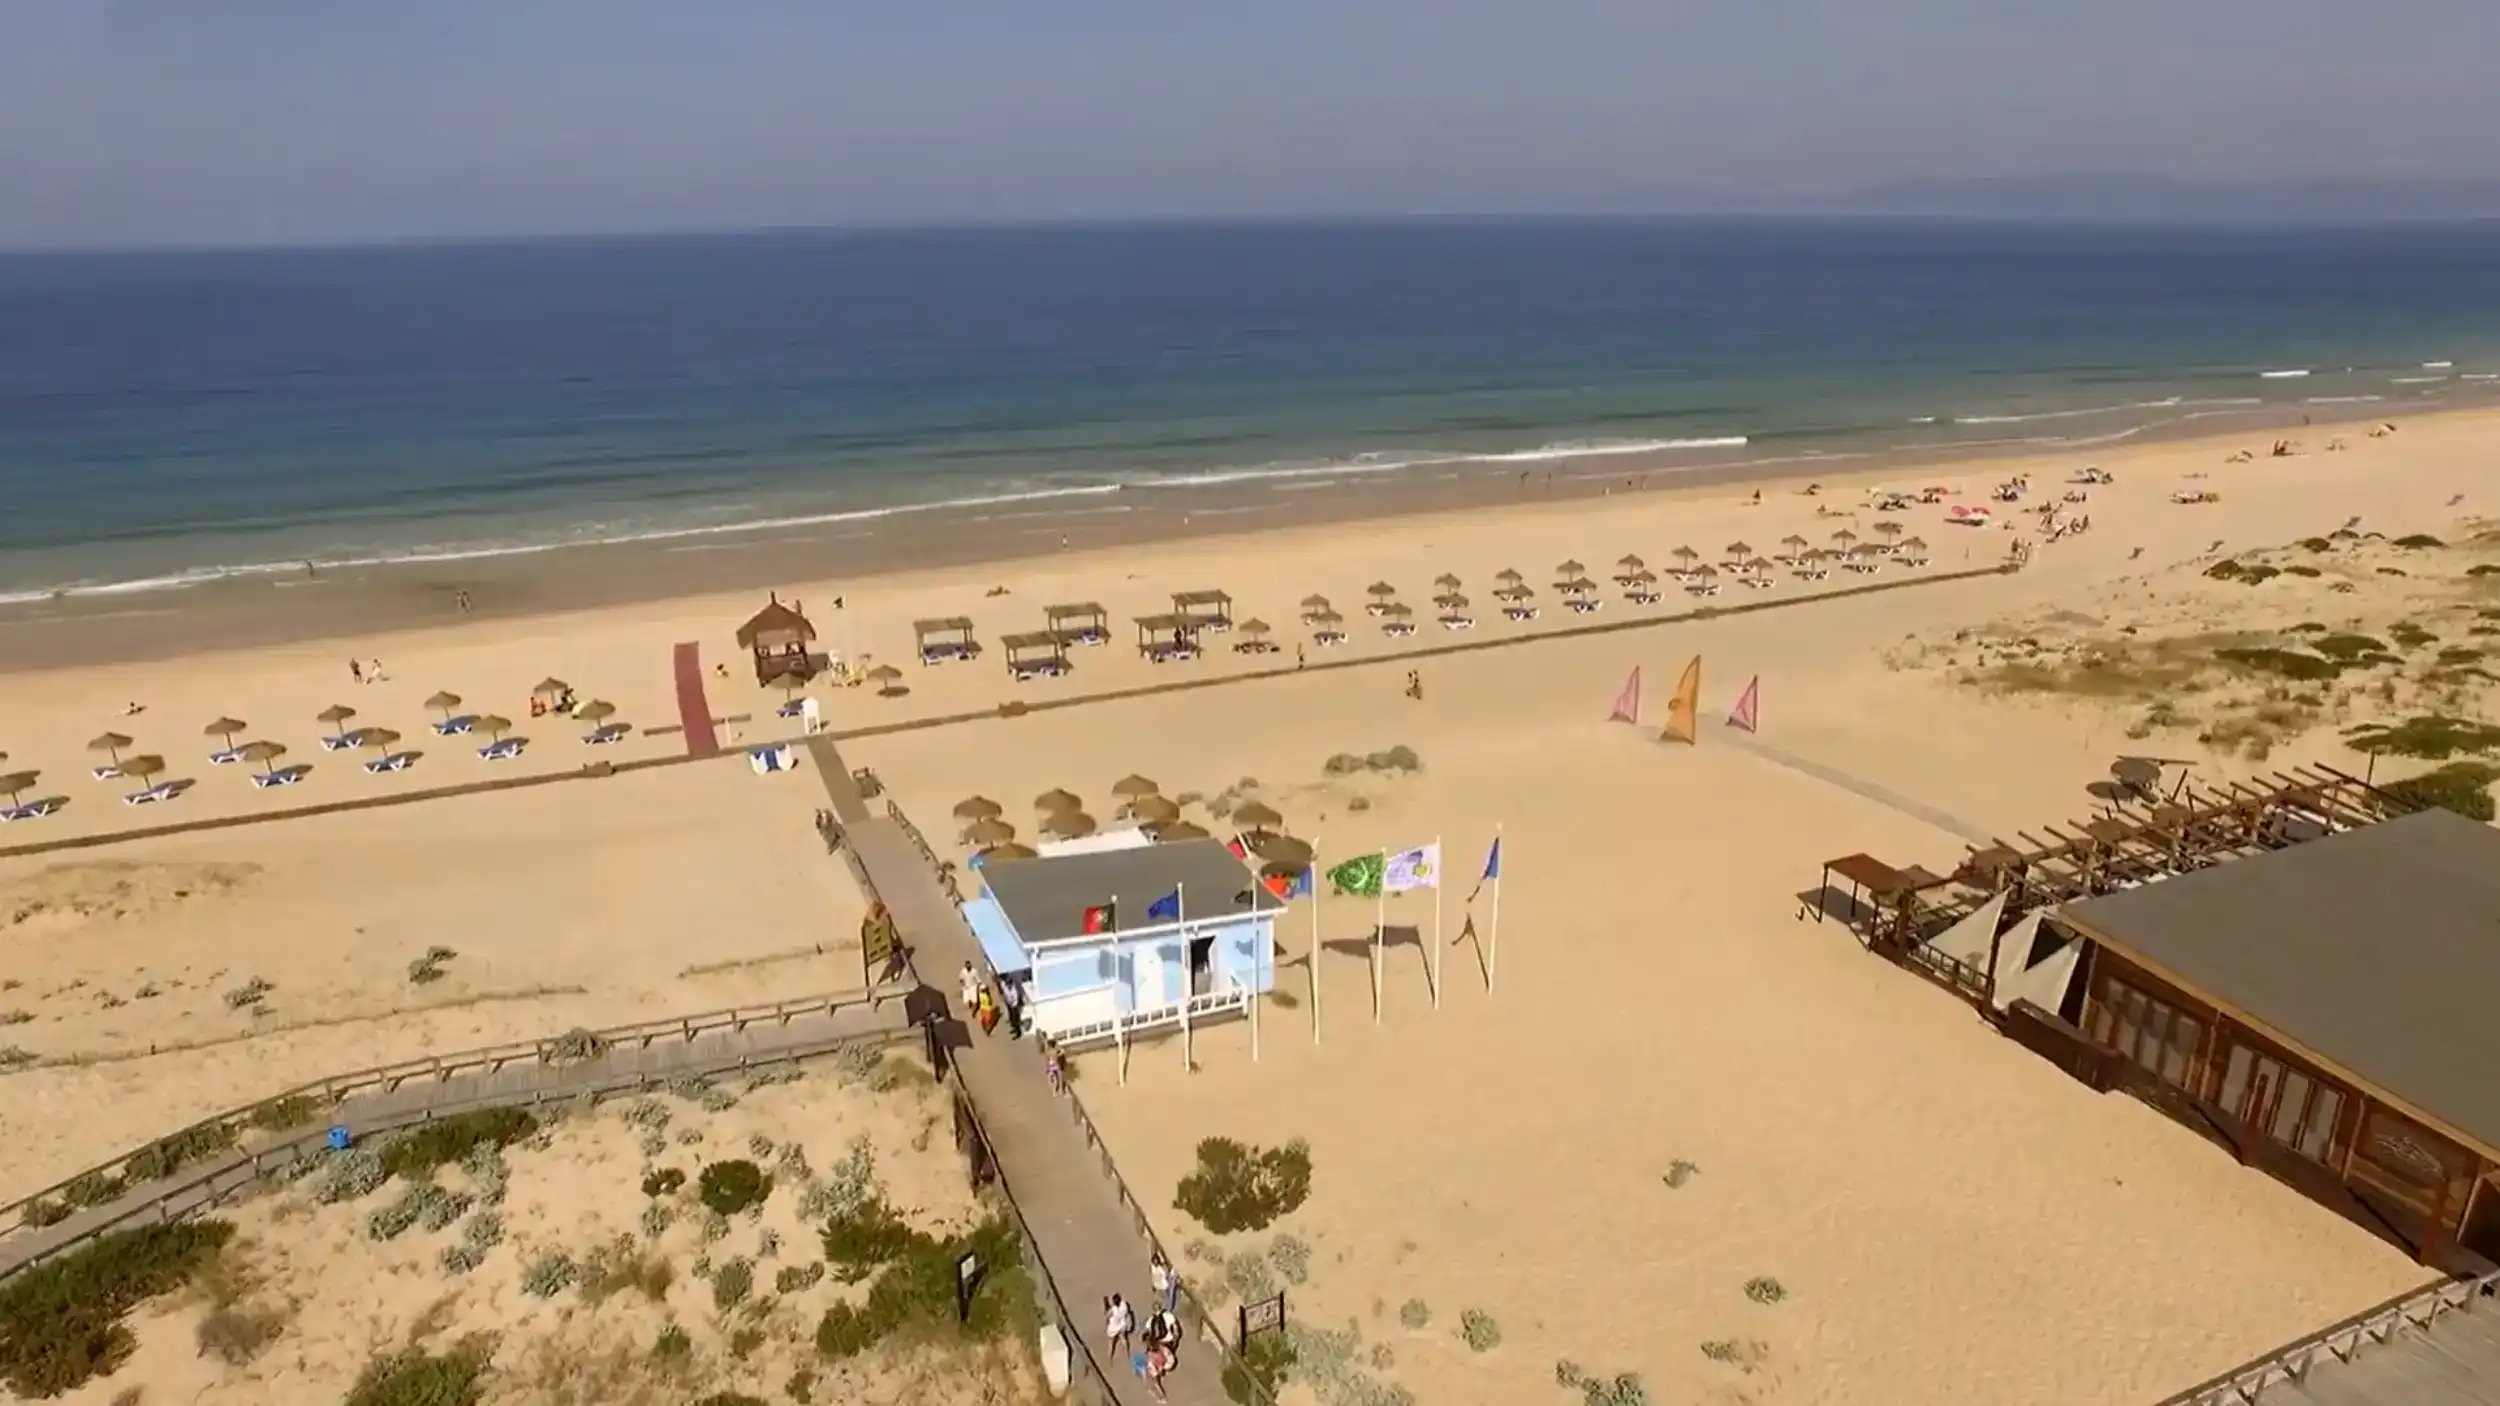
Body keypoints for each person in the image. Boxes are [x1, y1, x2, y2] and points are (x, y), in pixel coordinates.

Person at [1104, 1294, 1135, 1363]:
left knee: (1111, 1343)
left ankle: (1110, 1358)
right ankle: (1127, 1354)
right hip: (1122, 1325)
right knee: (1123, 1339)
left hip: (1113, 1327)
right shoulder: (1124, 1305)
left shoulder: (1113, 1310)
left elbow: (1107, 1316)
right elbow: (1127, 1313)